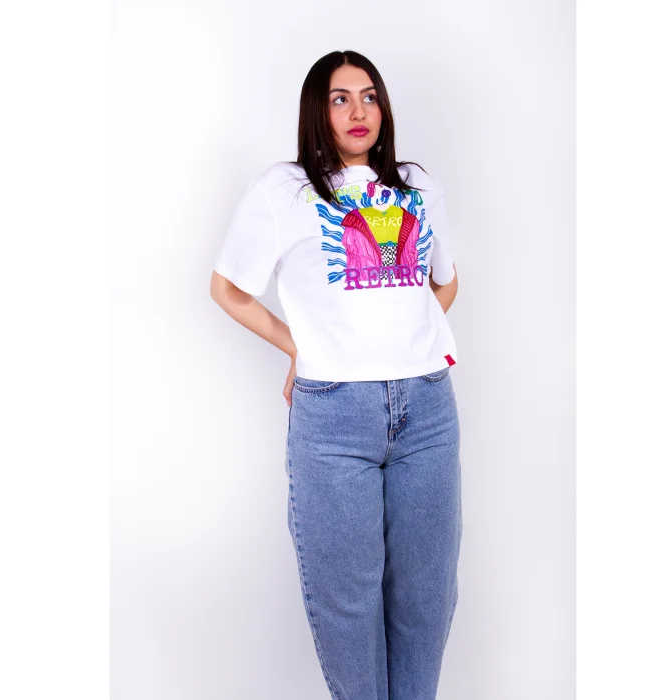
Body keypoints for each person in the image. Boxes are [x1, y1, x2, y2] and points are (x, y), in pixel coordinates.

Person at [210, 49, 462, 700]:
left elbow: (444, 282)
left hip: (428, 411)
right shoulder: (284, 191)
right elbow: (228, 289)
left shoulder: (417, 186)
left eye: (370, 96)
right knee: (346, 600)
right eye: (340, 98)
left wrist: (402, 339)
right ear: (315, 112)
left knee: (427, 596)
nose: (358, 111)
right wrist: (300, 347)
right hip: (333, 417)